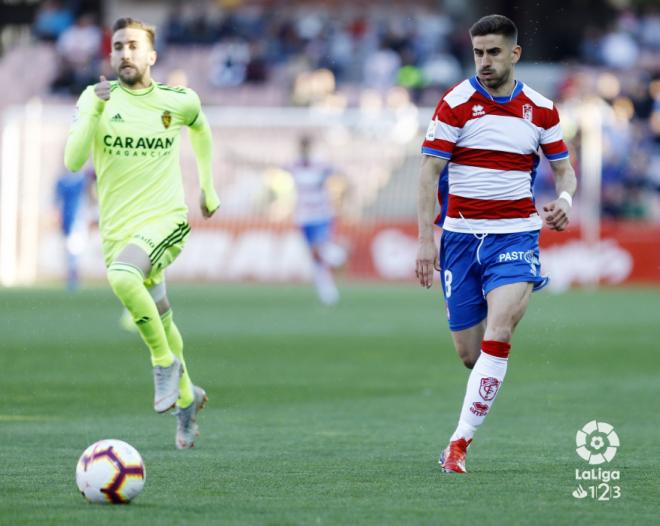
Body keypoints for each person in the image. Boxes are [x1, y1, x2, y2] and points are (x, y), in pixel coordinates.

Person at [416, 14, 577, 473]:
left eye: (493, 53)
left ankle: (458, 445)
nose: (484, 62)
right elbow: (427, 173)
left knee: (499, 330)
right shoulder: (456, 103)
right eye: (477, 53)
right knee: (471, 355)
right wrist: (426, 239)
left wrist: (564, 198)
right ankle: (489, 363)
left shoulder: (541, 109)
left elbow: (565, 170)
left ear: (514, 54)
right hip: (462, 238)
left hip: (517, 233)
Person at [64, 17, 221, 449]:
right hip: (118, 229)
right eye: (117, 46)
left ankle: (163, 365)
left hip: (165, 220)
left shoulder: (178, 100)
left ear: (151, 55)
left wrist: (207, 186)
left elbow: (201, 128)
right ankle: (188, 399)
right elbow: (74, 160)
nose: (124, 54)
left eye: (133, 46)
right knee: (160, 312)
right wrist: (94, 109)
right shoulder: (95, 98)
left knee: (121, 276)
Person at [289, 135, 346, 305]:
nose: (304, 149)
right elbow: (265, 166)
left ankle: (340, 257)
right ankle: (327, 292)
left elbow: (341, 174)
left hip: (321, 215)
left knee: (319, 250)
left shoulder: (321, 165)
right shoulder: (294, 165)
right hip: (304, 217)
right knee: (315, 258)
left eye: (306, 146)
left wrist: (344, 199)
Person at [54, 167, 92, 291]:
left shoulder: (81, 180)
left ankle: (73, 275)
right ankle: (72, 275)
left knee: (74, 249)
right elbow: (57, 202)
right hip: (69, 220)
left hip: (78, 219)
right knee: (71, 249)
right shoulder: (64, 182)